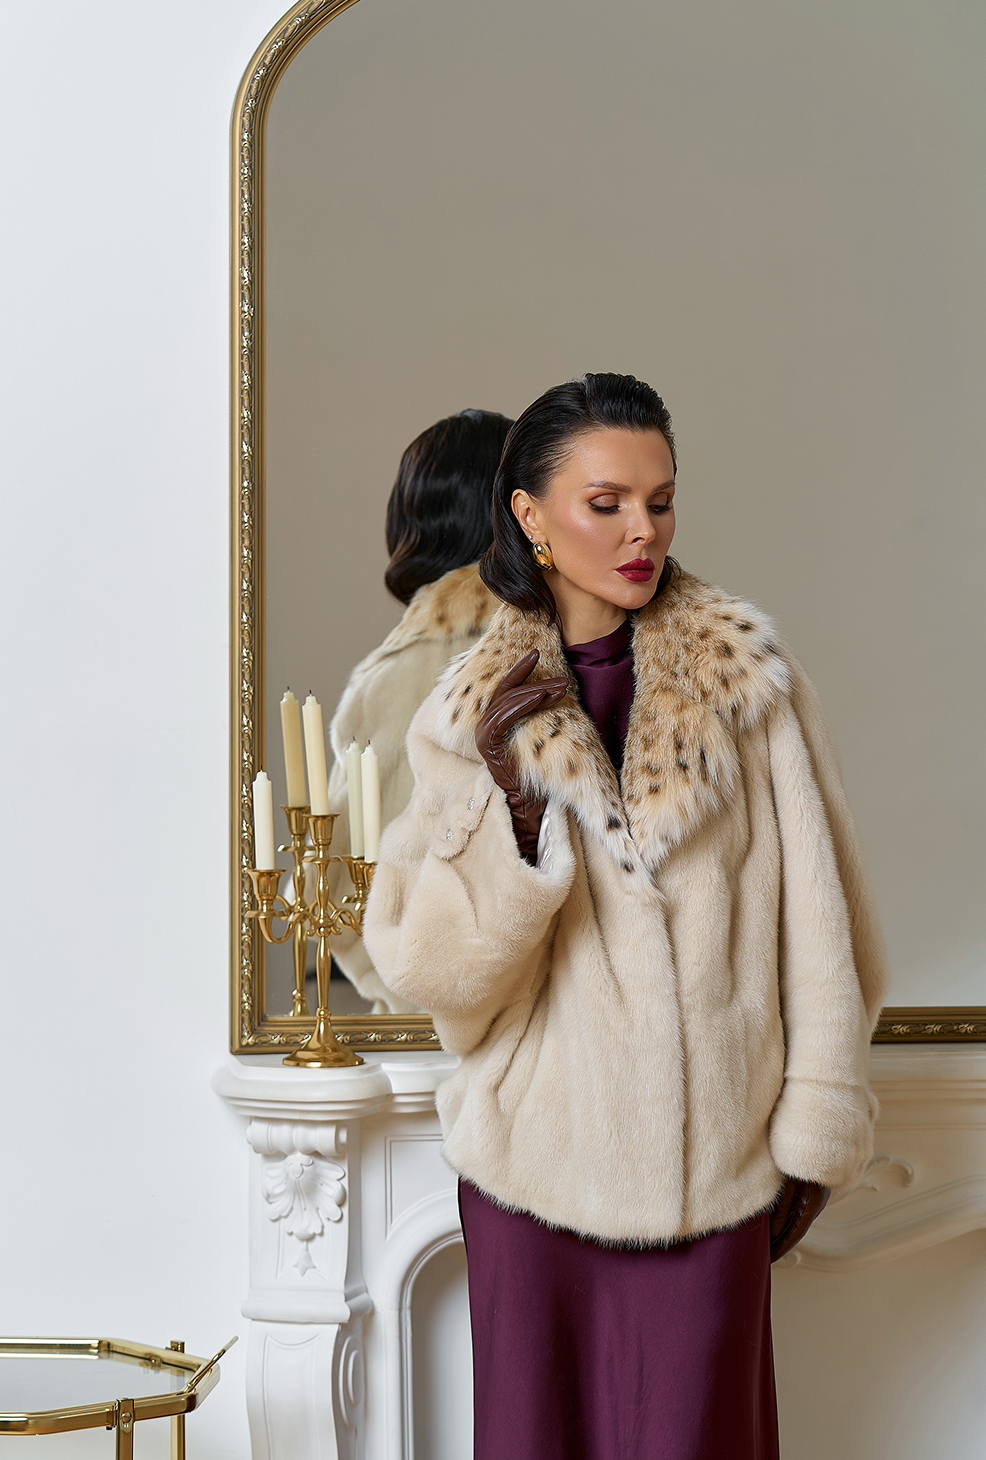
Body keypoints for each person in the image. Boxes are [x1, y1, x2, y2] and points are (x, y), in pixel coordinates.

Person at [364, 374, 887, 1458]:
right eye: (606, 503)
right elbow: (431, 969)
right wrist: (513, 814)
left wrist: (814, 1125)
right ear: (529, 514)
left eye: (660, 500)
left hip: (717, 1176)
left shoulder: (751, 684)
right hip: (533, 1177)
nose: (642, 530)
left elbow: (826, 925)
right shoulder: (467, 708)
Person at [328, 408, 511, 1011]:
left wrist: (408, 1006)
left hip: (424, 1033)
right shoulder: (583, 653)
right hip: (557, 1036)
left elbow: (337, 881)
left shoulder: (386, 684)